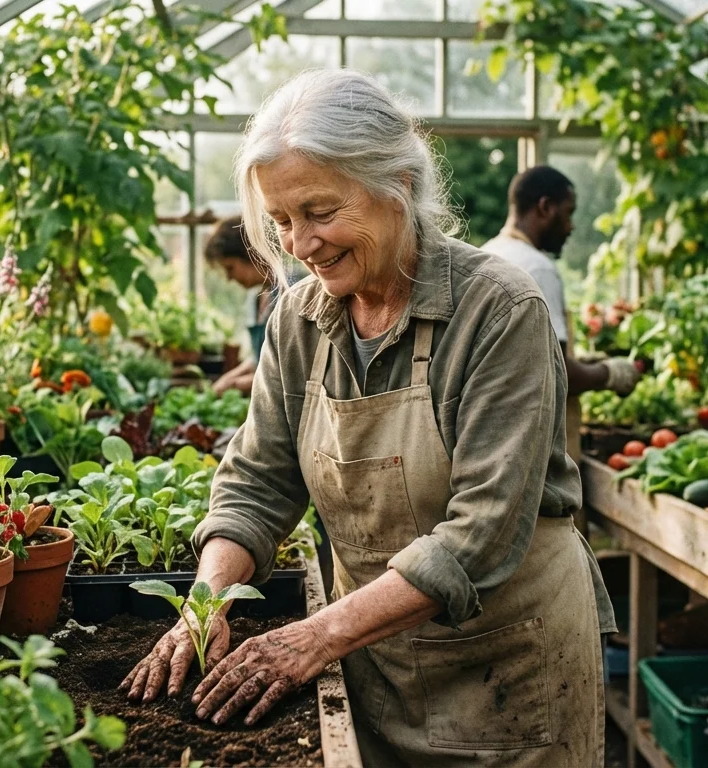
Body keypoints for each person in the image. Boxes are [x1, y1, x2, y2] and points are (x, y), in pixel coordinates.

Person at [121, 69, 616, 767]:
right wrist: (205, 609)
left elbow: (482, 532)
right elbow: (258, 482)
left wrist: (312, 638)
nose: (299, 244)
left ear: (399, 188)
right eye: (281, 221)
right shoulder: (299, 318)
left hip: (511, 672)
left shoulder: (499, 311)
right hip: (373, 659)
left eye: (319, 212)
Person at [481, 166, 640, 396]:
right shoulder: (538, 268)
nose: (571, 226)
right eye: (568, 213)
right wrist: (610, 374)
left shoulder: (487, 255)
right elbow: (555, 372)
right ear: (545, 207)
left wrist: (585, 363)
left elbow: (517, 358)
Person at [205, 215, 277, 395]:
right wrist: (227, 379)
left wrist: (235, 385)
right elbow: (260, 359)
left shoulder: (290, 296)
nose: (229, 278)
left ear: (251, 254)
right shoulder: (259, 298)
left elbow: (287, 374)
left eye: (230, 268)